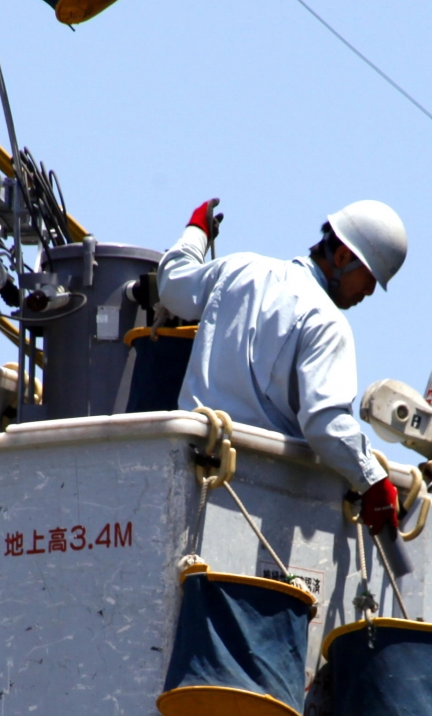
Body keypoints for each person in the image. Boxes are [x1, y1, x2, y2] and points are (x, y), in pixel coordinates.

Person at [157, 198, 409, 530]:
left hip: (187, 477)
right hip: (258, 498)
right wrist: (374, 481)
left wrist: (196, 232)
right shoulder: (327, 323)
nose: (370, 291)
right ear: (344, 256)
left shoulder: (240, 270)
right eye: (369, 277)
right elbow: (326, 423)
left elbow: (173, 283)